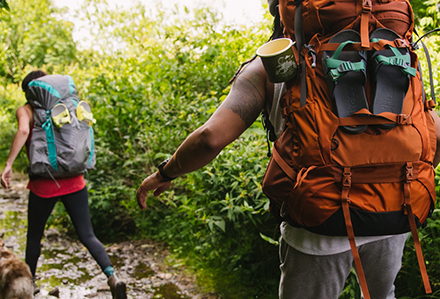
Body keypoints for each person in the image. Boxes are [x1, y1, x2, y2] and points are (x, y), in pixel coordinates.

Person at [137, 1, 440, 298]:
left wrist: (166, 171)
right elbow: (433, 135)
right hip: (395, 210)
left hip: (319, 216)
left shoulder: (270, 66)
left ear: (286, 14)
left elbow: (210, 138)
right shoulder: (394, 56)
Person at [1, 70, 127, 299]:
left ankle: (32, 286)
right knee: (88, 235)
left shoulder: (27, 110)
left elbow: (23, 130)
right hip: (75, 180)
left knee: (34, 236)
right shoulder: (66, 106)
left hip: (44, 185)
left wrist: (9, 164)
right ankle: (113, 277)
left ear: (28, 90)